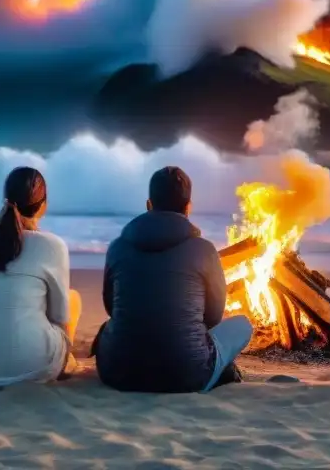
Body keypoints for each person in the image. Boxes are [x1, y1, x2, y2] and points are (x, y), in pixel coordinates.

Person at [94, 166, 253, 393]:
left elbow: (111, 307)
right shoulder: (205, 250)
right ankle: (217, 370)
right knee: (243, 325)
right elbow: (214, 317)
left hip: (117, 373)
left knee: (111, 327)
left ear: (149, 204)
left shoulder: (117, 247)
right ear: (188, 207)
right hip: (187, 376)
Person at [0, 166, 82, 385]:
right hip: (27, 363)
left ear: (6, 200)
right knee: (73, 298)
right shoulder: (52, 246)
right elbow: (60, 316)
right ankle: (65, 359)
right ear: (43, 205)